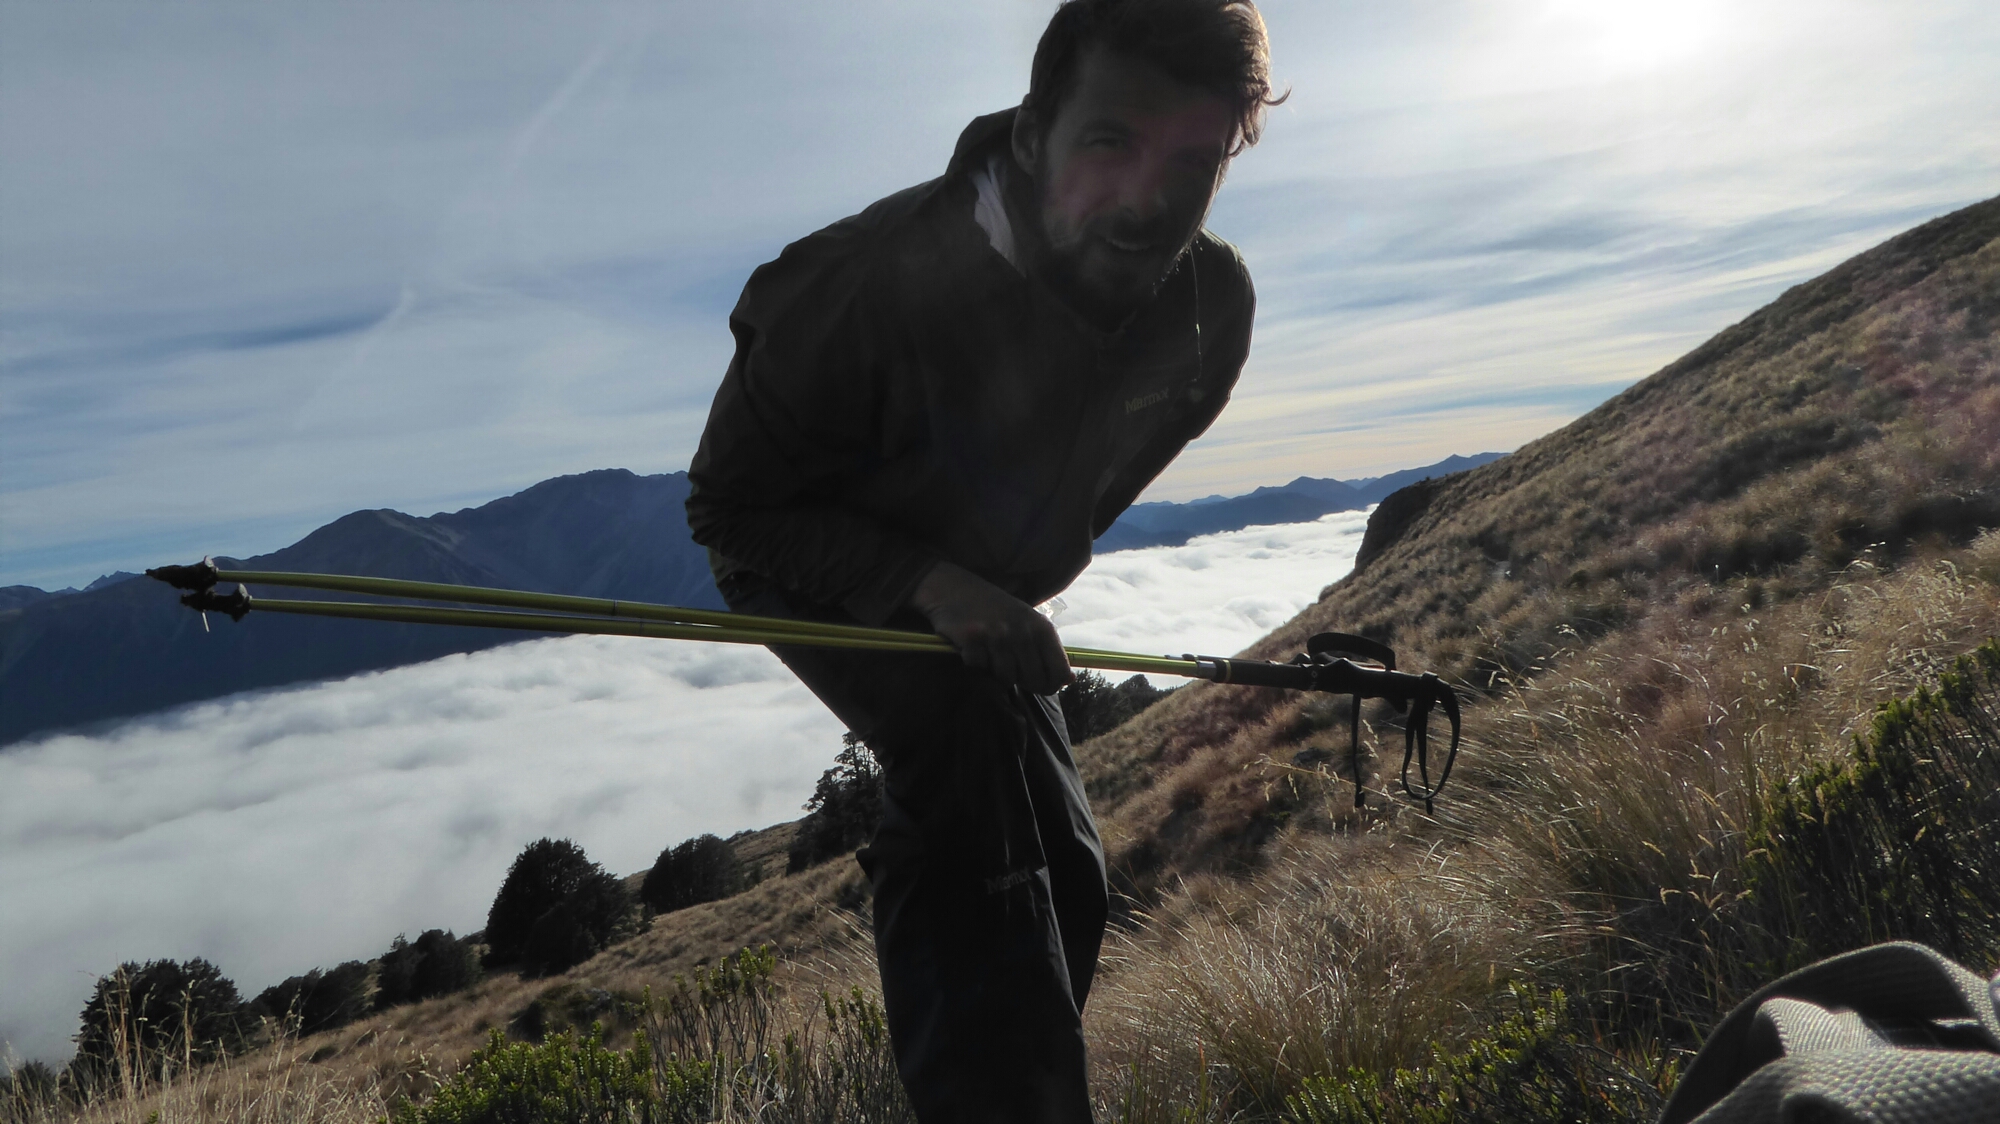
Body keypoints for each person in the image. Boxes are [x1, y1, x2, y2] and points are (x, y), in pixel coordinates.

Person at [685, 2, 1279, 1119]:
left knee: (1068, 875)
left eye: (1191, 164)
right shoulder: (856, 285)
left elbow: (1102, 466)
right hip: (801, 550)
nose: (1145, 200)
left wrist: (1001, 580)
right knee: (971, 800)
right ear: (1033, 131)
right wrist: (929, 584)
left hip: (984, 581)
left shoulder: (1204, 308)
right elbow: (730, 508)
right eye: (1110, 142)